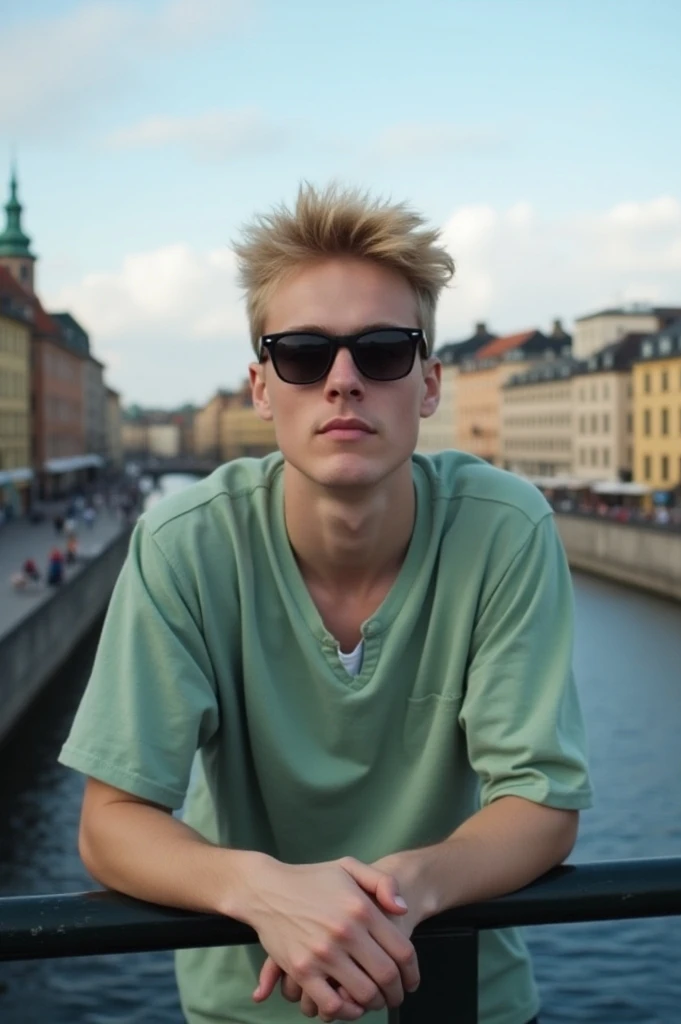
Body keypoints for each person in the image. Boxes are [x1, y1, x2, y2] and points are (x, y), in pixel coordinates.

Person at [59, 184, 592, 1024]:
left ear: (428, 384)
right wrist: (266, 891)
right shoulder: (185, 544)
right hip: (254, 1011)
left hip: (461, 1003)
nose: (343, 382)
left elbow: (541, 802)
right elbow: (112, 822)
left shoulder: (504, 528)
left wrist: (394, 898)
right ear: (262, 388)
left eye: (382, 350)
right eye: (303, 354)